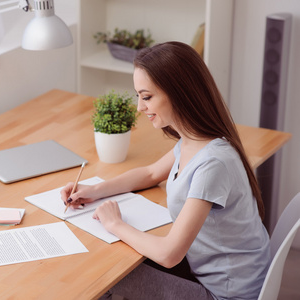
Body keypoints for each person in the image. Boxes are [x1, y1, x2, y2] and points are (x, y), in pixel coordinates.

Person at [60, 41, 270, 299]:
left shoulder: (213, 163)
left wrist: (115, 223)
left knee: (104, 274)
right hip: (217, 275)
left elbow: (169, 255)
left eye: (147, 97)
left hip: (225, 294)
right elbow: (150, 174)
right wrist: (94, 190)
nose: (139, 107)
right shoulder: (194, 140)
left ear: (180, 93)